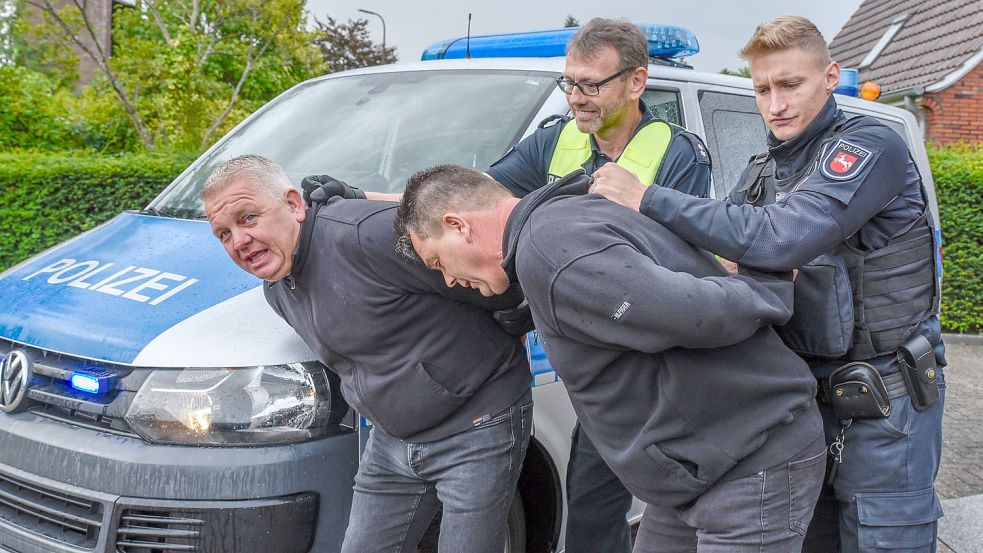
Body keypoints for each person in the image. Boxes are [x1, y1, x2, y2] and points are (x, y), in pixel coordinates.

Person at [305, 18, 712, 551]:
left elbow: (685, 265)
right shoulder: (557, 141)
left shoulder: (678, 155)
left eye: (591, 85)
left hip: (640, 364)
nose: (576, 98)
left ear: (636, 82)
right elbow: (465, 198)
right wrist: (358, 195)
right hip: (579, 354)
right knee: (591, 506)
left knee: (619, 508)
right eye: (570, 83)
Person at [591, 16, 946, 553]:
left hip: (883, 410)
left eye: (790, 84)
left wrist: (647, 196)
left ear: (829, 77)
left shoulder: (871, 146)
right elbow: (721, 248)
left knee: (885, 540)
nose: (775, 102)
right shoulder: (765, 168)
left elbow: (779, 237)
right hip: (800, 406)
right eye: (762, 88)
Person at [396, 164, 827, 552]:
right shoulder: (565, 217)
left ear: (458, 225)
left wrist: (768, 289)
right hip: (696, 472)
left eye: (438, 261)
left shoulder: (552, 251)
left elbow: (689, 313)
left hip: (749, 461)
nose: (449, 278)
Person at [202, 155, 534, 553]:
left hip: (477, 426)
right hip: (391, 443)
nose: (238, 241)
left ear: (293, 204)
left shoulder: (364, 233)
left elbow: (488, 262)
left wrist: (516, 308)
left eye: (249, 218)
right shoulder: (278, 289)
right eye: (223, 233)